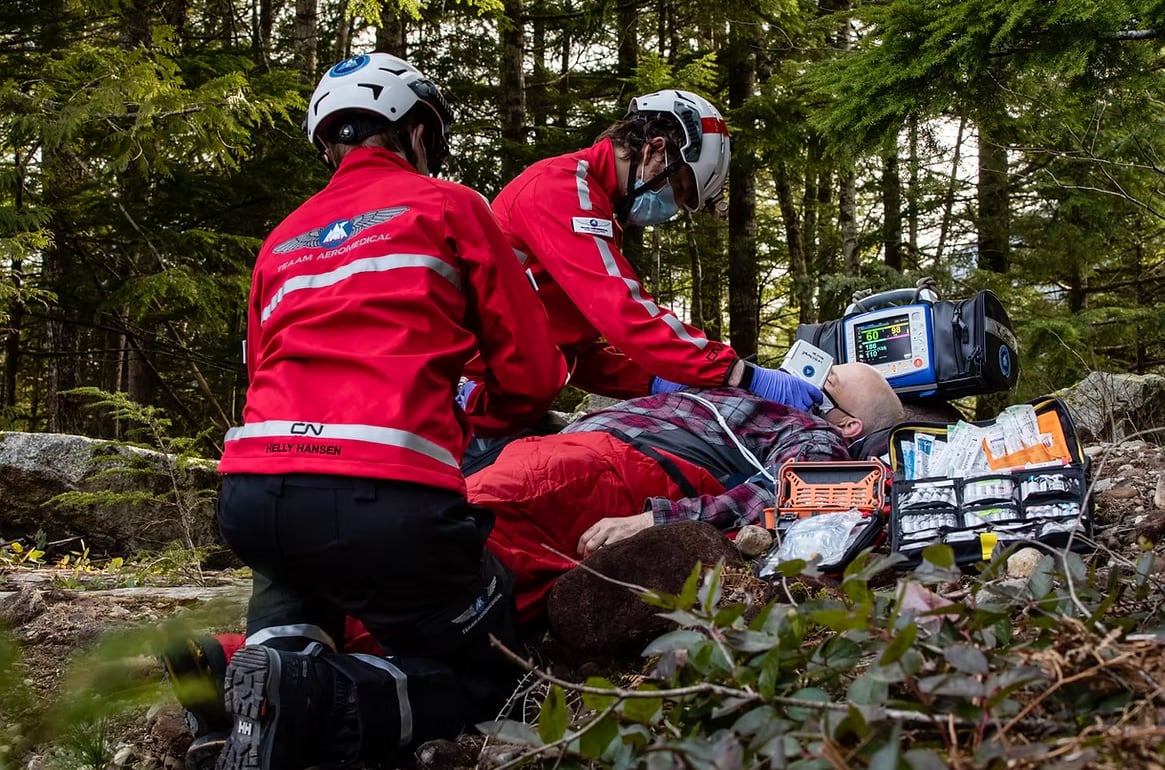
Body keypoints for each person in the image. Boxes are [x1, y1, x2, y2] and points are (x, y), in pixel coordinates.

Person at [165, 363, 900, 765]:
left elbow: (811, 499)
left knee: (475, 593)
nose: (811, 377)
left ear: (848, 422)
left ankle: (247, 670)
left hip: (611, 473)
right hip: (582, 464)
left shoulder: (815, 433)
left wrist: (666, 518)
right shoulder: (730, 398)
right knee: (439, 561)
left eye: (832, 383)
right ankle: (264, 673)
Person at [209, 52, 568, 770]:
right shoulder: (449, 205)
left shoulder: (282, 236)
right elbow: (531, 374)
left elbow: (260, 373)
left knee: (296, 570)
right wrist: (479, 409)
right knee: (490, 671)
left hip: (252, 495)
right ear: (414, 133)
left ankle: (244, 678)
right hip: (386, 498)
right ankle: (327, 702)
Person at [462, 89, 821, 423]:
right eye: (678, 189)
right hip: (471, 397)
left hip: (501, 402)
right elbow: (622, 312)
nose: (674, 208)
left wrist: (657, 380)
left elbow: (577, 354)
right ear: (655, 150)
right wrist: (737, 373)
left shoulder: (595, 207)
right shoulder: (560, 190)